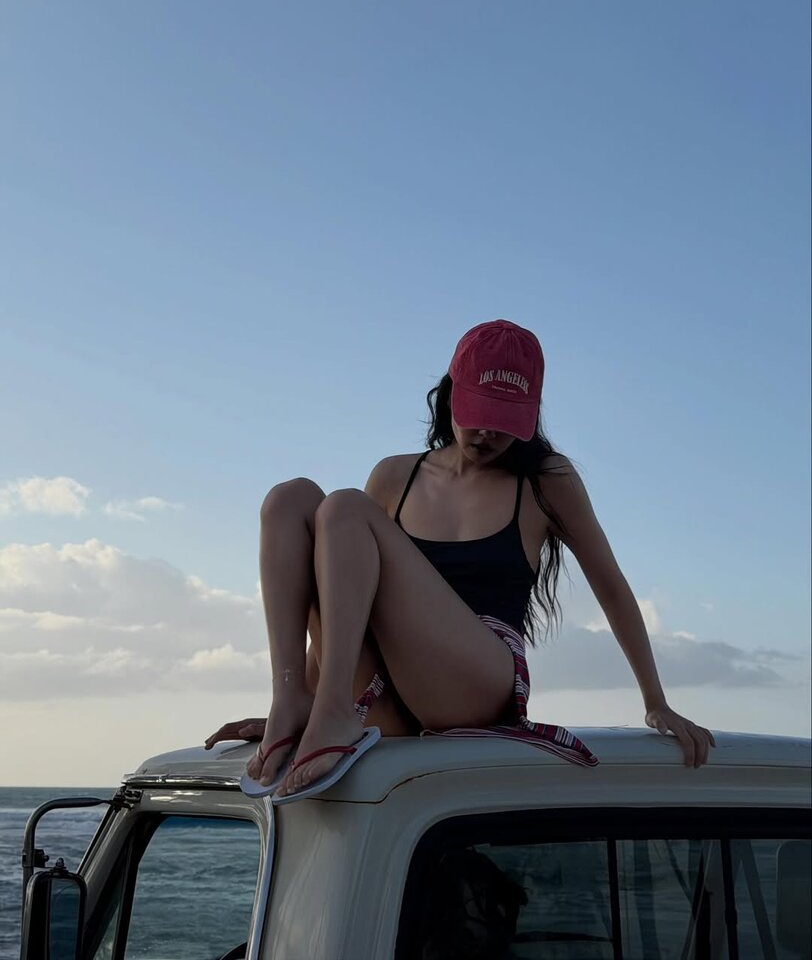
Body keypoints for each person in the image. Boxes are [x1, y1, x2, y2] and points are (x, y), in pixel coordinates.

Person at [205, 320, 714, 802]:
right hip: (387, 689)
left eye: (503, 421)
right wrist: (310, 699)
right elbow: (345, 598)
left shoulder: (546, 481)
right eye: (479, 413)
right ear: (450, 393)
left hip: (476, 683)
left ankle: (332, 710)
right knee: (290, 499)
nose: (487, 433)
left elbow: (612, 589)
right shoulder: (394, 476)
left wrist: (656, 702)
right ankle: (294, 702)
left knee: (343, 508)